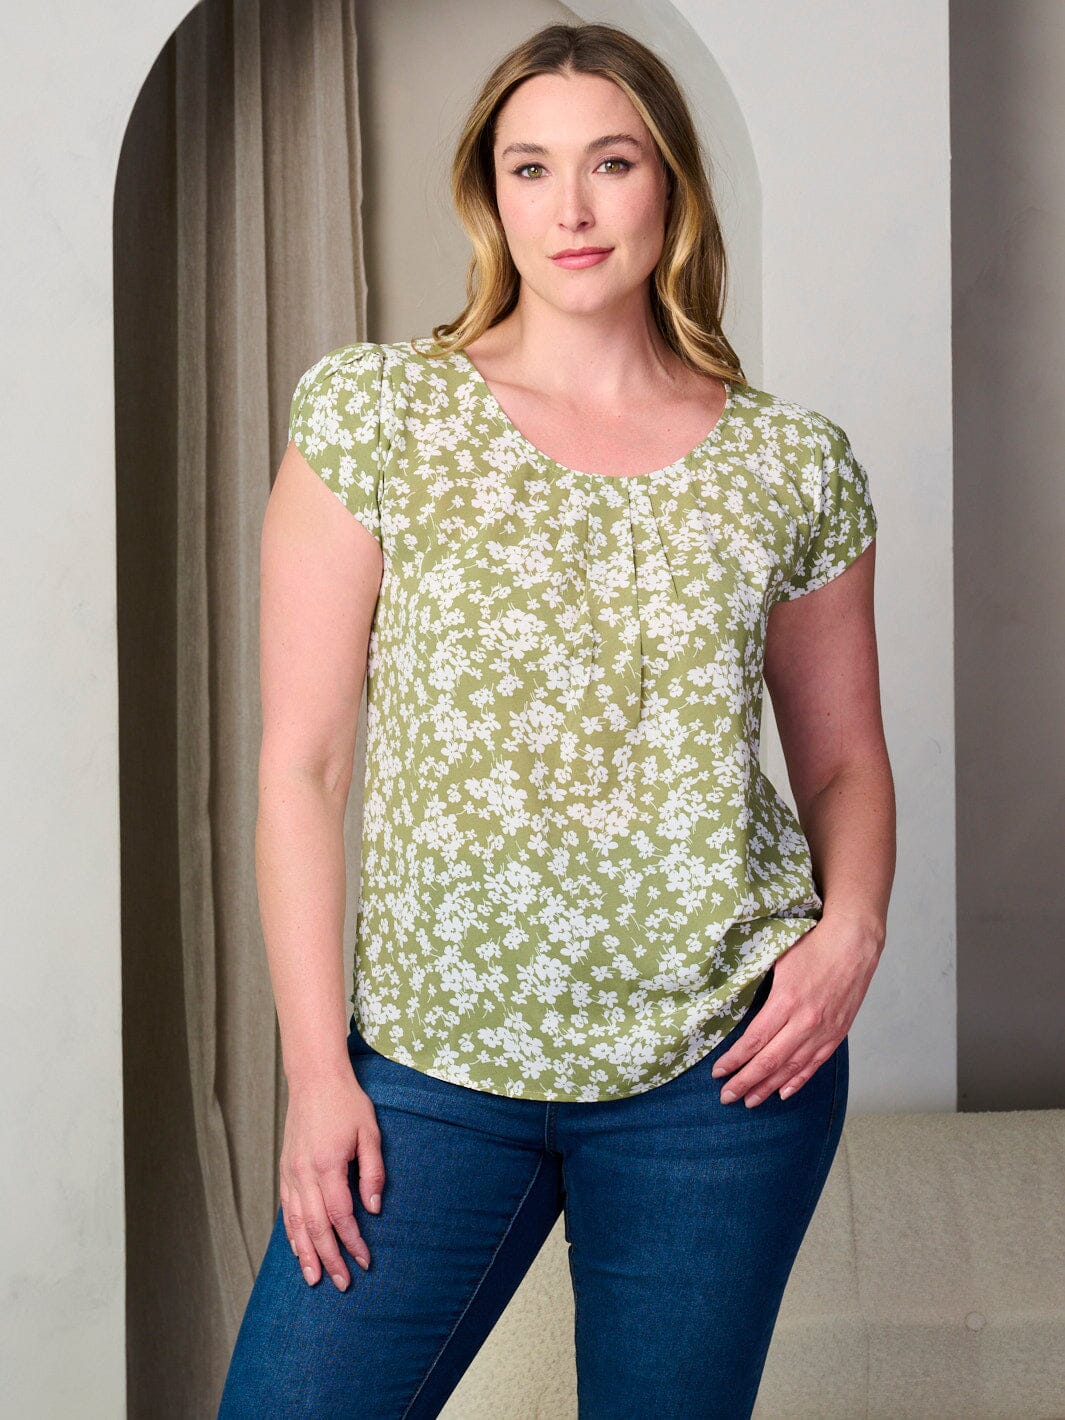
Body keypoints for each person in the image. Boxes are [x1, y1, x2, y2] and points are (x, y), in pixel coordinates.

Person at [218, 20, 894, 1420]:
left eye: (611, 164)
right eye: (530, 169)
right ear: (490, 194)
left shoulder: (790, 463)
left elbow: (840, 760)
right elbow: (302, 765)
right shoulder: (379, 414)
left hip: (718, 1077)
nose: (570, 208)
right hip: (427, 1066)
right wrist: (314, 1075)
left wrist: (851, 934)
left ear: (671, 185)